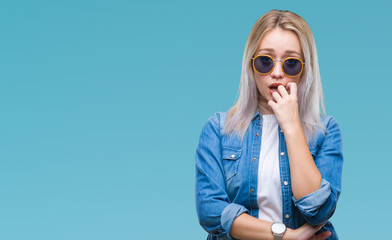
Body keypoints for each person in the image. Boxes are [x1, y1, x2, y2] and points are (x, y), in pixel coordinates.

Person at [195, 9, 343, 240]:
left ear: (305, 70)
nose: (276, 73)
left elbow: (317, 210)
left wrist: (292, 125)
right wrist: (285, 237)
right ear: (251, 65)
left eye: (291, 63)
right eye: (265, 61)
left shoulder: (325, 131)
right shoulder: (219, 129)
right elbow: (211, 211)